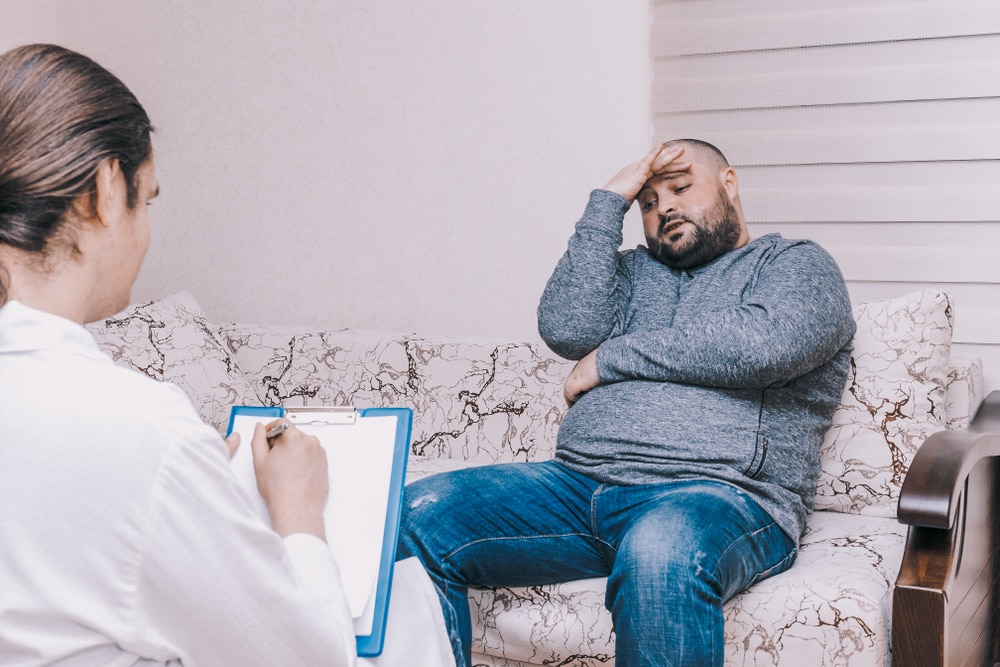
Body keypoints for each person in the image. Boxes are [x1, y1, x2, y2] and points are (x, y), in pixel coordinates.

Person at [0, 43, 454, 667]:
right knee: (406, 597)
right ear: (106, 190)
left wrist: (193, 483)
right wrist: (298, 506)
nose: (148, 230)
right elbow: (309, 657)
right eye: (148, 199)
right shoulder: (141, 430)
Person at [398, 140, 856, 666]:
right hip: (577, 486)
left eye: (681, 188)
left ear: (729, 182)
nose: (665, 208)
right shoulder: (632, 276)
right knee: (418, 516)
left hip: (721, 493)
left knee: (661, 553)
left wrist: (611, 358)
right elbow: (567, 328)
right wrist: (607, 200)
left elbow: (768, 343)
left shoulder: (793, 264)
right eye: (648, 201)